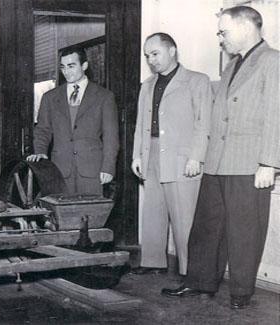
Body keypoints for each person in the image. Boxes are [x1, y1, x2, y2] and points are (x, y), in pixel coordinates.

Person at [162, 6, 279, 310]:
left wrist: (269, 162)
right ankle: (200, 281)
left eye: (223, 31)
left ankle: (241, 291)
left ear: (245, 27)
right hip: (218, 161)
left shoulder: (273, 61)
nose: (220, 38)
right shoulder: (231, 66)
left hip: (248, 162)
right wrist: (201, 157)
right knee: (207, 226)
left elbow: (276, 116)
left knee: (245, 230)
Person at [131, 33, 212, 276]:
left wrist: (196, 156)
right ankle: (152, 261)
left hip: (181, 157)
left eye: (155, 53)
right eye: (147, 56)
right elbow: (140, 124)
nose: (151, 60)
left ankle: (190, 272)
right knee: (153, 211)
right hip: (152, 153)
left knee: (184, 217)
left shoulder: (197, 81)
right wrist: (137, 155)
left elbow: (204, 123)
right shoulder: (147, 85)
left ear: (172, 50)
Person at [27, 47, 119, 195]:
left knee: (91, 215)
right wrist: (41, 152)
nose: (66, 72)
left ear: (84, 66)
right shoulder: (49, 98)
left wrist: (108, 167)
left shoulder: (104, 96)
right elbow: (43, 130)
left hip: (92, 171)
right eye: (63, 67)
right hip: (60, 170)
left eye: (71, 66)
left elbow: (111, 137)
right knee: (61, 215)